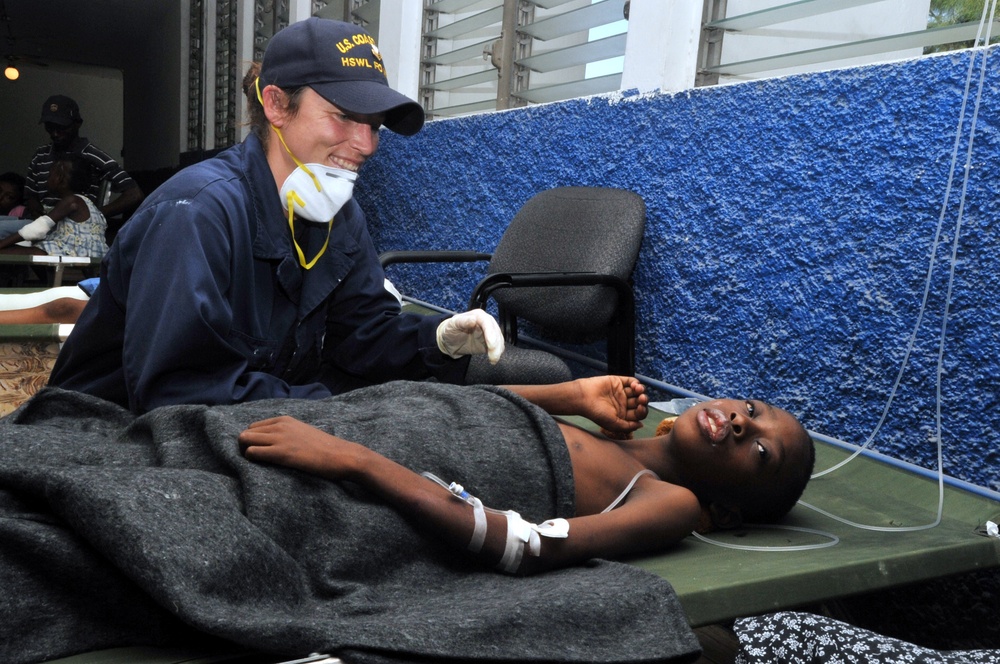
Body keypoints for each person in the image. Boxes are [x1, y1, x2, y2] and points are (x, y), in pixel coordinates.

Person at [48, 18, 504, 414]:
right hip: (110, 430)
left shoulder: (338, 215)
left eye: (375, 125)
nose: (367, 145)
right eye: (344, 117)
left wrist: (436, 337)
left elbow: (363, 333)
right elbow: (179, 391)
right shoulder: (195, 214)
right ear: (277, 105)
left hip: (246, 419)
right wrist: (340, 415)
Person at [239, 375, 816, 575]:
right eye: (754, 409)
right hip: (370, 420)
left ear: (733, 511)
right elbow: (464, 405)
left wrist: (355, 460)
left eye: (763, 453)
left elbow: (529, 548)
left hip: (374, 475)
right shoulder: (606, 433)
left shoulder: (669, 503)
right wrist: (569, 395)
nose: (743, 422)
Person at [23, 94, 144, 223]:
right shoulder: (40, 155)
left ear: (77, 124)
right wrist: (37, 212)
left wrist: (93, 217)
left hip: (74, 227)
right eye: (50, 127)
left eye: (62, 127)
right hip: (40, 223)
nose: (55, 133)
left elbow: (134, 194)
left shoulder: (94, 156)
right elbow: (30, 195)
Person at [0, 154, 108, 258]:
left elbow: (36, 229)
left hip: (74, 252)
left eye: (50, 175)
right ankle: (45, 278)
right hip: (83, 251)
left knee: (8, 251)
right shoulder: (85, 203)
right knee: (31, 246)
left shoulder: (71, 201)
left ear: (59, 179)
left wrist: (2, 244)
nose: (47, 179)